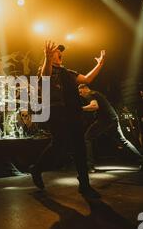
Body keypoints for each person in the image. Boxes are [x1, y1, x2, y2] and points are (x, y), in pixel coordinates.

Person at [29, 41, 106, 198]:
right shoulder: (44, 69)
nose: (60, 53)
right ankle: (37, 169)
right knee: (59, 144)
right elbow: (45, 77)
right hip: (56, 110)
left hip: (73, 112)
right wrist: (47, 58)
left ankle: (84, 184)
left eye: (60, 51)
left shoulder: (68, 72)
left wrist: (100, 64)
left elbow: (87, 79)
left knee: (79, 146)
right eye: (57, 50)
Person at [78, 84, 143, 172]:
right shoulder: (96, 93)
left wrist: (81, 109)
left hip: (106, 120)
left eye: (80, 92)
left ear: (85, 89)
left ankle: (90, 166)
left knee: (87, 138)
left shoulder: (90, 94)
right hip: (113, 119)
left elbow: (94, 106)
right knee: (123, 141)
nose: (80, 94)